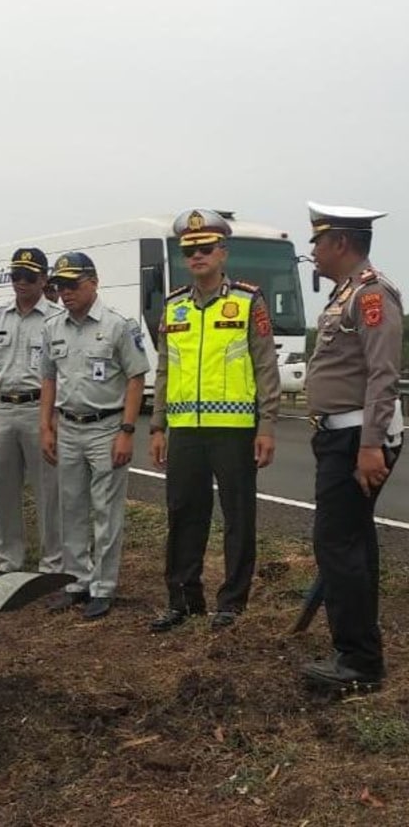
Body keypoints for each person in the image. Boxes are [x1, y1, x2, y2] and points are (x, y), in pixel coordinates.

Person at [149, 208, 280, 632]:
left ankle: (232, 603)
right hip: (185, 429)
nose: (197, 256)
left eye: (205, 248)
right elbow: (164, 369)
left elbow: (265, 366)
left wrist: (267, 424)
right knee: (183, 513)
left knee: (238, 517)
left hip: (234, 430)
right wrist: (158, 426)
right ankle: (183, 600)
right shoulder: (174, 306)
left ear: (223, 252)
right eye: (190, 250)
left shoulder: (247, 300)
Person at [302, 202, 403, 692]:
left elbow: (383, 375)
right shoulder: (347, 293)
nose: (314, 252)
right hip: (341, 436)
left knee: (336, 544)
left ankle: (358, 660)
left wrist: (369, 446)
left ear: (340, 243)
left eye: (317, 242)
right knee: (353, 542)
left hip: (355, 438)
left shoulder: (371, 294)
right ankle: (362, 650)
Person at [40, 251, 150, 619]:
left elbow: (136, 378)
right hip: (68, 427)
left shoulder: (118, 325)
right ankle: (77, 581)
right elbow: (48, 379)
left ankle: (103, 586)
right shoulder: (53, 327)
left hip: (106, 427)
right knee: (70, 508)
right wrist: (45, 426)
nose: (65, 292)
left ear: (94, 282)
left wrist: (127, 431)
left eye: (73, 284)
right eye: (60, 286)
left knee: (106, 511)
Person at [0, 248, 64, 575]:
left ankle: (53, 563)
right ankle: (7, 561)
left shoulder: (57, 318)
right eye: (16, 275)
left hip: (40, 410)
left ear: (43, 279)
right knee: (2, 491)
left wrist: (53, 418)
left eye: (29, 276)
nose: (21, 282)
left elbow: (64, 371)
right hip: (2, 410)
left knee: (49, 491)